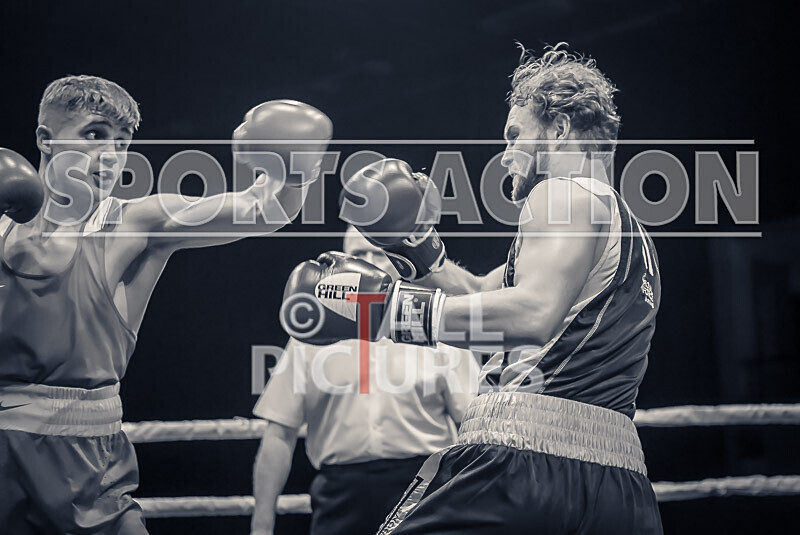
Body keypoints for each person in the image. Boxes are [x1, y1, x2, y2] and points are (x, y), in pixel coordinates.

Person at [282, 43, 663, 534]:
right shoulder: (628, 230)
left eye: (514, 135)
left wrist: (385, 308)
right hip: (619, 484)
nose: (505, 155)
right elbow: (486, 299)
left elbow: (530, 315)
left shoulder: (561, 193)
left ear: (559, 129)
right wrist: (419, 251)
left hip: (521, 461)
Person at [0, 75, 332, 534]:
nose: (110, 155)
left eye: (122, 142)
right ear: (45, 139)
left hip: (90, 467)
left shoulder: (136, 222)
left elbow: (265, 210)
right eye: (94, 134)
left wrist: (293, 172)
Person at [251, 227, 479, 535]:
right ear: (342, 263)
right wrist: (261, 526)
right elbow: (280, 431)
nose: (369, 263)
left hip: (423, 486)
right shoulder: (311, 336)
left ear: (399, 261)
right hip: (339, 494)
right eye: (359, 254)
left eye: (380, 252)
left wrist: (478, 505)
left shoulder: (436, 325)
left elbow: (472, 426)